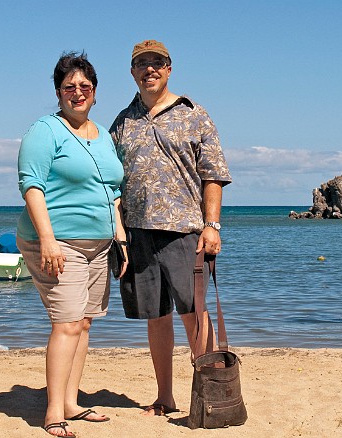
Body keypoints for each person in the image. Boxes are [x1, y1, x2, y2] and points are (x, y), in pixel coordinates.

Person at [110, 39, 232, 416]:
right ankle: (165, 396)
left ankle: (212, 394)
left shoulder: (194, 114)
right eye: (141, 63)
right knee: (156, 317)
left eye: (157, 63)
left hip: (184, 231)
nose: (150, 69)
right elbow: (111, 182)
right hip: (136, 234)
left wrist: (212, 226)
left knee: (195, 314)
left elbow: (212, 175)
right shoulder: (122, 122)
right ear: (132, 71)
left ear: (169, 68)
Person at [16, 52, 127, 437]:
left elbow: (112, 190)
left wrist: (120, 238)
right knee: (65, 324)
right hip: (58, 241)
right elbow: (31, 185)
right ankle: (52, 413)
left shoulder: (102, 136)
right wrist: (48, 239)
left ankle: (71, 402)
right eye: (69, 87)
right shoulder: (45, 130)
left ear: (95, 92)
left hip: (99, 244)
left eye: (85, 86)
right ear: (58, 92)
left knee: (83, 323)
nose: (77, 92)